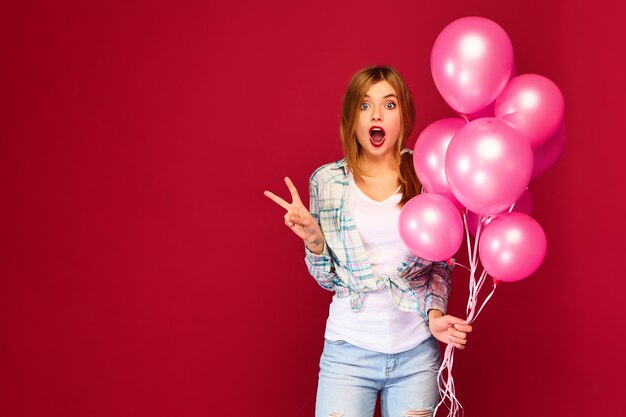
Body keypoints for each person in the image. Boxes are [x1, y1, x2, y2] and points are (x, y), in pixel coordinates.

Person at [264, 66, 472, 417]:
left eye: (389, 105)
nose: (376, 114)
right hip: (348, 353)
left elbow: (439, 266)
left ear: (404, 114)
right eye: (364, 105)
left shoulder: (428, 176)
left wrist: (435, 316)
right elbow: (327, 279)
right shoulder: (326, 183)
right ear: (352, 118)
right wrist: (314, 241)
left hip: (416, 355)